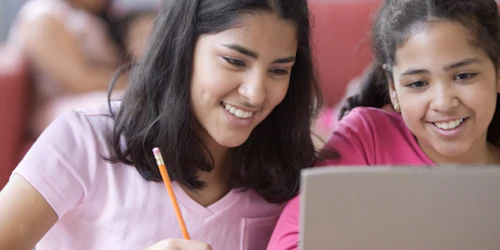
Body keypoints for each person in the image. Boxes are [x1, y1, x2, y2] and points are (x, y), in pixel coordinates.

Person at [0, 0, 329, 249]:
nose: (255, 94)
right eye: (234, 61)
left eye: (278, 70)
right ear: (182, 50)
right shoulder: (84, 140)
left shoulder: (291, 177)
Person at [267, 0, 500, 248]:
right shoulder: (368, 140)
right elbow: (290, 243)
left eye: (464, 76)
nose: (443, 102)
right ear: (393, 89)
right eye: (418, 83)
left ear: (497, 73)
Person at [7, 0, 126, 137]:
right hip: (55, 108)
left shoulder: (86, 16)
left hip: (80, 100)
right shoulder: (44, 17)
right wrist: (135, 81)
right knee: (129, 107)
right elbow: (78, 81)